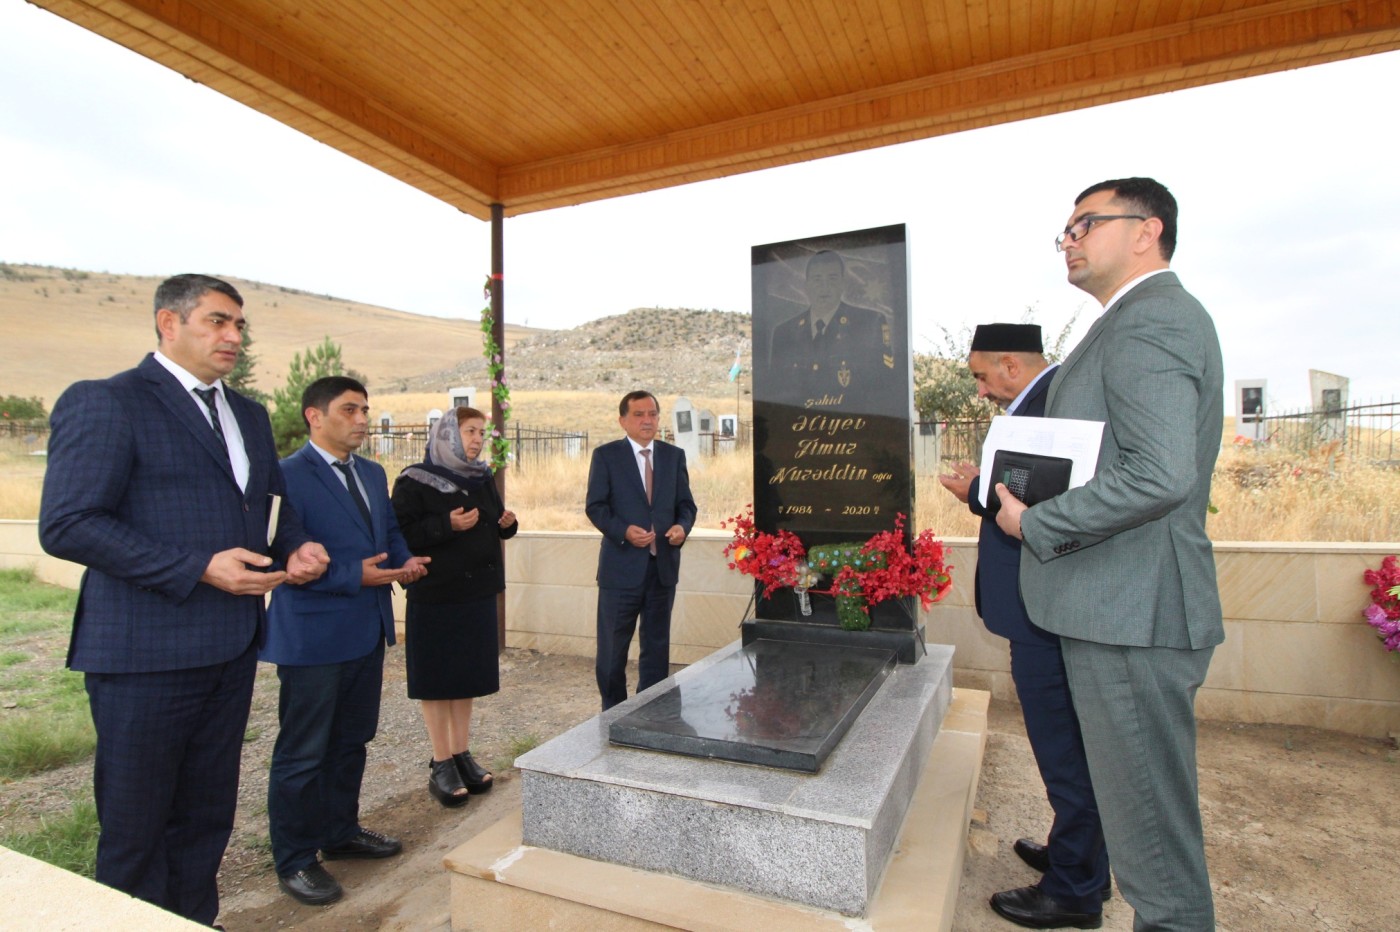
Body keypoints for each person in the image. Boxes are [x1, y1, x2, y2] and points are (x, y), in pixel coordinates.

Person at [38, 273, 330, 926]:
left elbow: (270, 509)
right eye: (217, 321)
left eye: (238, 325)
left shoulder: (248, 415)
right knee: (137, 828)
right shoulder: (107, 402)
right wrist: (197, 567)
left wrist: (296, 549)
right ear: (168, 324)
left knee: (205, 819)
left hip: (228, 649)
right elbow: (68, 523)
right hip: (143, 655)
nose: (232, 336)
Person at [995, 178, 1224, 931]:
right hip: (1114, 605)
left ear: (1145, 230)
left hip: (1132, 608)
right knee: (1137, 821)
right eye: (1064, 229)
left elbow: (1160, 475)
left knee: (1153, 845)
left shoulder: (1152, 321)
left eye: (1084, 224)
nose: (1069, 239)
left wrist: (1039, 522)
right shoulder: (1125, 322)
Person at [938, 323, 1110, 929]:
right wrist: (979, 491)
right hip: (1039, 604)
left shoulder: (1052, 402)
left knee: (1063, 746)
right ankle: (1079, 854)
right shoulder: (1037, 401)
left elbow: (1041, 502)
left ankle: (1074, 890)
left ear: (1011, 364)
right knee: (1068, 745)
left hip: (1044, 609)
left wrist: (975, 492)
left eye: (983, 376)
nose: (981, 390)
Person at [262, 376, 429, 906]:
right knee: (303, 751)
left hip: (365, 631)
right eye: (350, 410)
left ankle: (339, 833)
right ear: (315, 416)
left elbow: (388, 533)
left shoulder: (373, 472)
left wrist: (403, 562)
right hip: (312, 637)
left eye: (365, 409)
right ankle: (295, 858)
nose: (362, 419)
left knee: (351, 741)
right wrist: (350, 577)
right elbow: (277, 558)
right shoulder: (284, 476)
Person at [392, 406, 517, 805]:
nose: (478, 439)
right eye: (469, 431)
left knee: (467, 677)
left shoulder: (481, 477)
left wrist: (507, 524)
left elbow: (496, 522)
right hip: (437, 595)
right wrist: (448, 525)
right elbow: (402, 535)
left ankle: (462, 752)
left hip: (476, 593)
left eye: (482, 432)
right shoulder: (414, 480)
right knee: (438, 678)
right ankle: (441, 761)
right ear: (447, 434)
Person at [586, 391, 697, 710]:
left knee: (656, 648)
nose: (647, 420)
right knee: (611, 652)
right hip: (620, 571)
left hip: (661, 570)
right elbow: (595, 506)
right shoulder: (606, 456)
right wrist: (623, 531)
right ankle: (612, 713)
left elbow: (686, 505)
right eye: (638, 414)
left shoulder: (673, 457)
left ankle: (650, 714)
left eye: (652, 413)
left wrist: (681, 528)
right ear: (623, 420)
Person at [767, 249, 894, 400]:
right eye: (817, 279)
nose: (824, 287)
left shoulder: (870, 323)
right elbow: (775, 395)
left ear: (843, 284)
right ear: (806, 286)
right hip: (800, 422)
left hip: (853, 422)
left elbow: (883, 390)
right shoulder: (784, 333)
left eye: (832, 279)